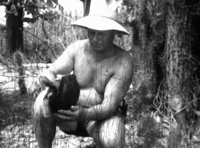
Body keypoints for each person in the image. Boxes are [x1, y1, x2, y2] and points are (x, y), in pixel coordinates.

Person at [33, 0, 133, 148]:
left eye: (101, 34)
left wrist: (84, 114)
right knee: (41, 103)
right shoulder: (77, 49)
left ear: (113, 33)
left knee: (114, 137)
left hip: (100, 120)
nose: (95, 38)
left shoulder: (123, 61)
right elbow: (52, 70)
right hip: (68, 114)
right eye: (92, 32)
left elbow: (110, 105)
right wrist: (48, 82)